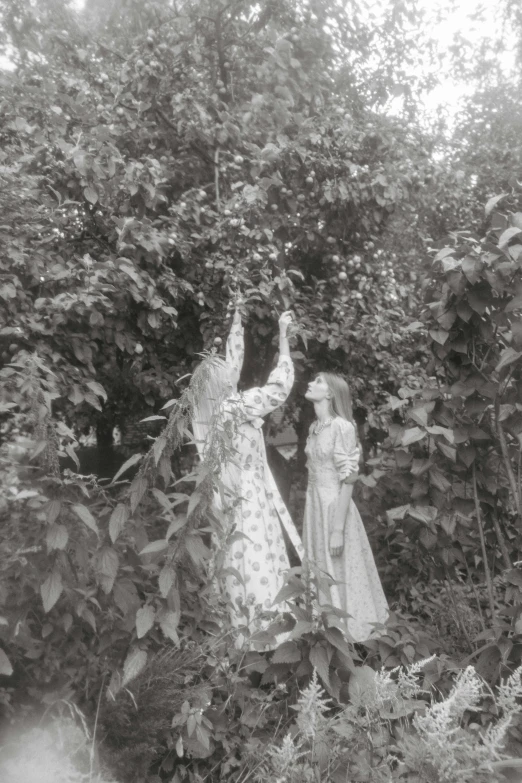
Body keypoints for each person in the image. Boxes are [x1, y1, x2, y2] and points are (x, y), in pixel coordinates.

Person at [191, 305, 304, 640]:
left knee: (235, 563)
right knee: (257, 563)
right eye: (226, 372)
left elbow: (232, 365)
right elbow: (278, 389)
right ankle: (266, 636)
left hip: (228, 497)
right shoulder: (235, 407)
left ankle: (236, 637)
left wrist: (237, 322)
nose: (232, 373)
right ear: (221, 384)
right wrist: (283, 340)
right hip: (250, 499)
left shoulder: (209, 411)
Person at [302, 372, 388, 642]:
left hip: (334, 507)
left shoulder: (343, 426)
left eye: (317, 382)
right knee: (318, 566)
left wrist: (338, 529)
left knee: (341, 569)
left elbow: (349, 480)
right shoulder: (314, 428)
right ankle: (322, 632)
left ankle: (351, 639)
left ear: (330, 394)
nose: (310, 384)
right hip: (314, 506)